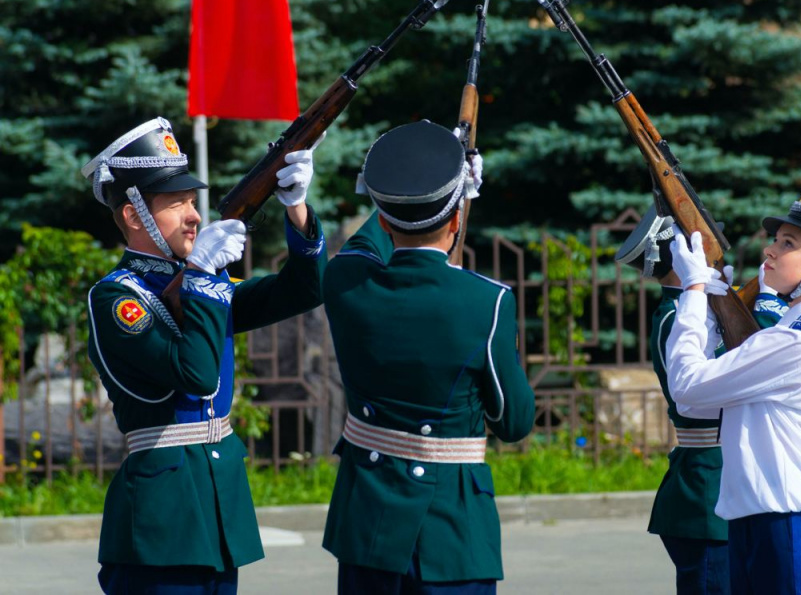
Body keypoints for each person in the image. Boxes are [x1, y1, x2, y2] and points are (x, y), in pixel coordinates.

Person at [81, 117, 328, 594]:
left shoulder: (201, 286)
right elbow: (194, 372)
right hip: (162, 522)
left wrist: (296, 210)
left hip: (218, 512)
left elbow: (305, 290)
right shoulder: (116, 299)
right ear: (134, 216)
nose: (195, 216)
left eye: (193, 202)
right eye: (177, 204)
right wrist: (198, 276)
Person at [321, 119, 536, 594]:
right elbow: (513, 422)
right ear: (458, 218)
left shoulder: (344, 282)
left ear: (381, 217)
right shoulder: (488, 302)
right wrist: (456, 186)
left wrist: (439, 181)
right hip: (450, 531)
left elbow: (368, 238)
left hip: (367, 525)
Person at [662, 170, 801, 594]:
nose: (771, 250)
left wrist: (692, 292)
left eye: (789, 244)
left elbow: (687, 386)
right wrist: (712, 321)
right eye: (776, 239)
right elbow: (697, 406)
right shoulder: (786, 330)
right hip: (758, 521)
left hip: (791, 525)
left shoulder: (798, 340)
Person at [615, 205, 789, 595]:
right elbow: (725, 379)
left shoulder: (704, 307)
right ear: (681, 253)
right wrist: (761, 311)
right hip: (706, 489)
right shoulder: (674, 315)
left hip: (728, 482)